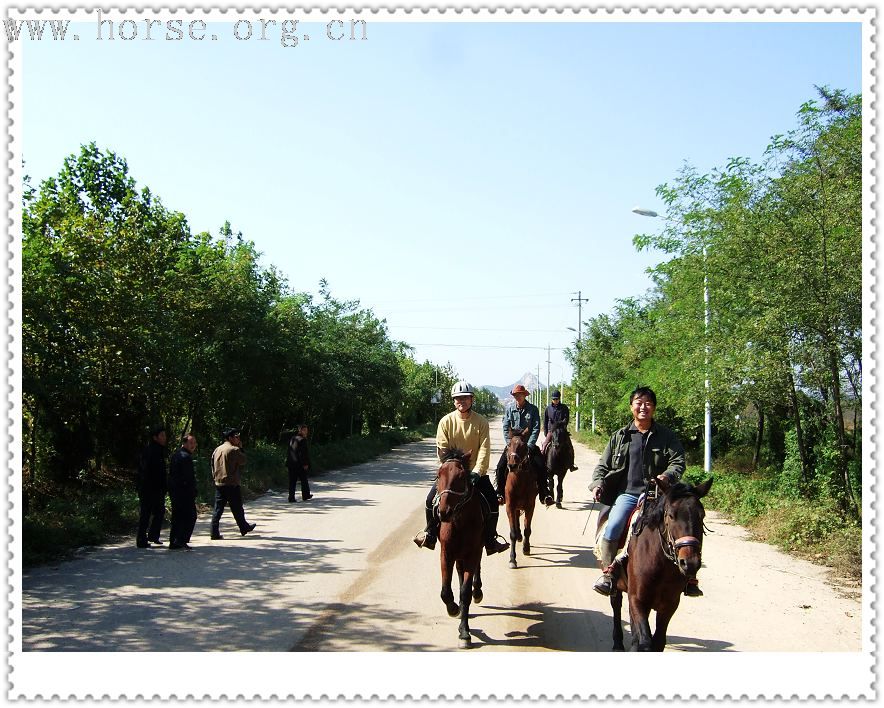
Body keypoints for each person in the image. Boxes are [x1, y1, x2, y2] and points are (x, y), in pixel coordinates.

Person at [588, 386, 702, 597]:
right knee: (612, 527)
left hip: (660, 496)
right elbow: (602, 466)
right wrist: (597, 484)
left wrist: (667, 476)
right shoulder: (620, 436)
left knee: (688, 522)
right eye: (639, 403)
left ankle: (689, 577)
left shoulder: (666, 436)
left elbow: (678, 461)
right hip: (628, 495)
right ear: (631, 407)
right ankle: (608, 574)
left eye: (648, 403)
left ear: (654, 408)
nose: (643, 407)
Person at [413, 381, 509, 555]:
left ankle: (490, 539)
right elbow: (443, 450)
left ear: (472, 399)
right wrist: (455, 471)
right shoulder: (445, 422)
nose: (461, 401)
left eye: (465, 398)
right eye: (457, 398)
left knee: (493, 502)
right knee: (430, 501)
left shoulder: (481, 422)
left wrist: (476, 472)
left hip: (475, 474)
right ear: (453, 401)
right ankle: (430, 533)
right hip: (451, 475)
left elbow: (484, 450)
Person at [493, 384, 551, 507]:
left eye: (520, 394)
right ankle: (500, 493)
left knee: (541, 465)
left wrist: (530, 444)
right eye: (515, 395)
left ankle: (544, 493)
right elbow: (505, 427)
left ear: (525, 395)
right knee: (500, 467)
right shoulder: (509, 409)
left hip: (527, 444)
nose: (517, 397)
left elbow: (535, 428)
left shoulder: (533, 409)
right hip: (513, 445)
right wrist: (509, 443)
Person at [210, 428, 256, 540]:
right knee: (237, 508)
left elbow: (211, 464)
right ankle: (244, 527)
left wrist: (215, 478)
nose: (238, 439)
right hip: (231, 484)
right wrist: (241, 448)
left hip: (219, 483)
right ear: (230, 438)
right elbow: (243, 461)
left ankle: (214, 532)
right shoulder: (234, 449)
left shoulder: (217, 449)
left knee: (218, 509)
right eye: (236, 437)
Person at [136, 424, 168, 548]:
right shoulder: (150, 451)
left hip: (156, 489)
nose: (165, 438)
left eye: (165, 435)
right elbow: (147, 471)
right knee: (145, 513)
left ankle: (153, 536)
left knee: (159, 512)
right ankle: (141, 539)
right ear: (155, 437)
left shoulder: (159, 450)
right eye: (162, 435)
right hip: (149, 488)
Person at [168, 434, 198, 550]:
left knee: (177, 516)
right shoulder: (185, 457)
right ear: (184, 443)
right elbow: (188, 478)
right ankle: (181, 539)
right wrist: (192, 491)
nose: (193, 445)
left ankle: (174, 541)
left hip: (175, 491)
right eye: (191, 443)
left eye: (194, 443)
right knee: (190, 516)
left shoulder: (176, 455)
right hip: (183, 492)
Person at [541, 390, 578, 473]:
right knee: (544, 446)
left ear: (559, 399)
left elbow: (566, 419)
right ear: (552, 399)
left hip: (562, 432)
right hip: (551, 431)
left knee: (570, 446)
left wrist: (561, 424)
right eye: (554, 399)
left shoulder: (564, 408)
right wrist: (546, 432)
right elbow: (545, 421)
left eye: (557, 399)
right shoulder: (548, 408)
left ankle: (571, 465)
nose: (555, 401)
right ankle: (543, 464)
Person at [287, 424, 314, 502]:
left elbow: (289, 451)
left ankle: (291, 497)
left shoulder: (292, 438)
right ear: (300, 430)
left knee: (292, 481)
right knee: (304, 479)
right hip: (299, 464)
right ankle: (306, 495)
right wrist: (305, 464)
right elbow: (303, 453)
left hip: (290, 463)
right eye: (305, 430)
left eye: (307, 430)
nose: (306, 432)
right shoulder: (302, 440)